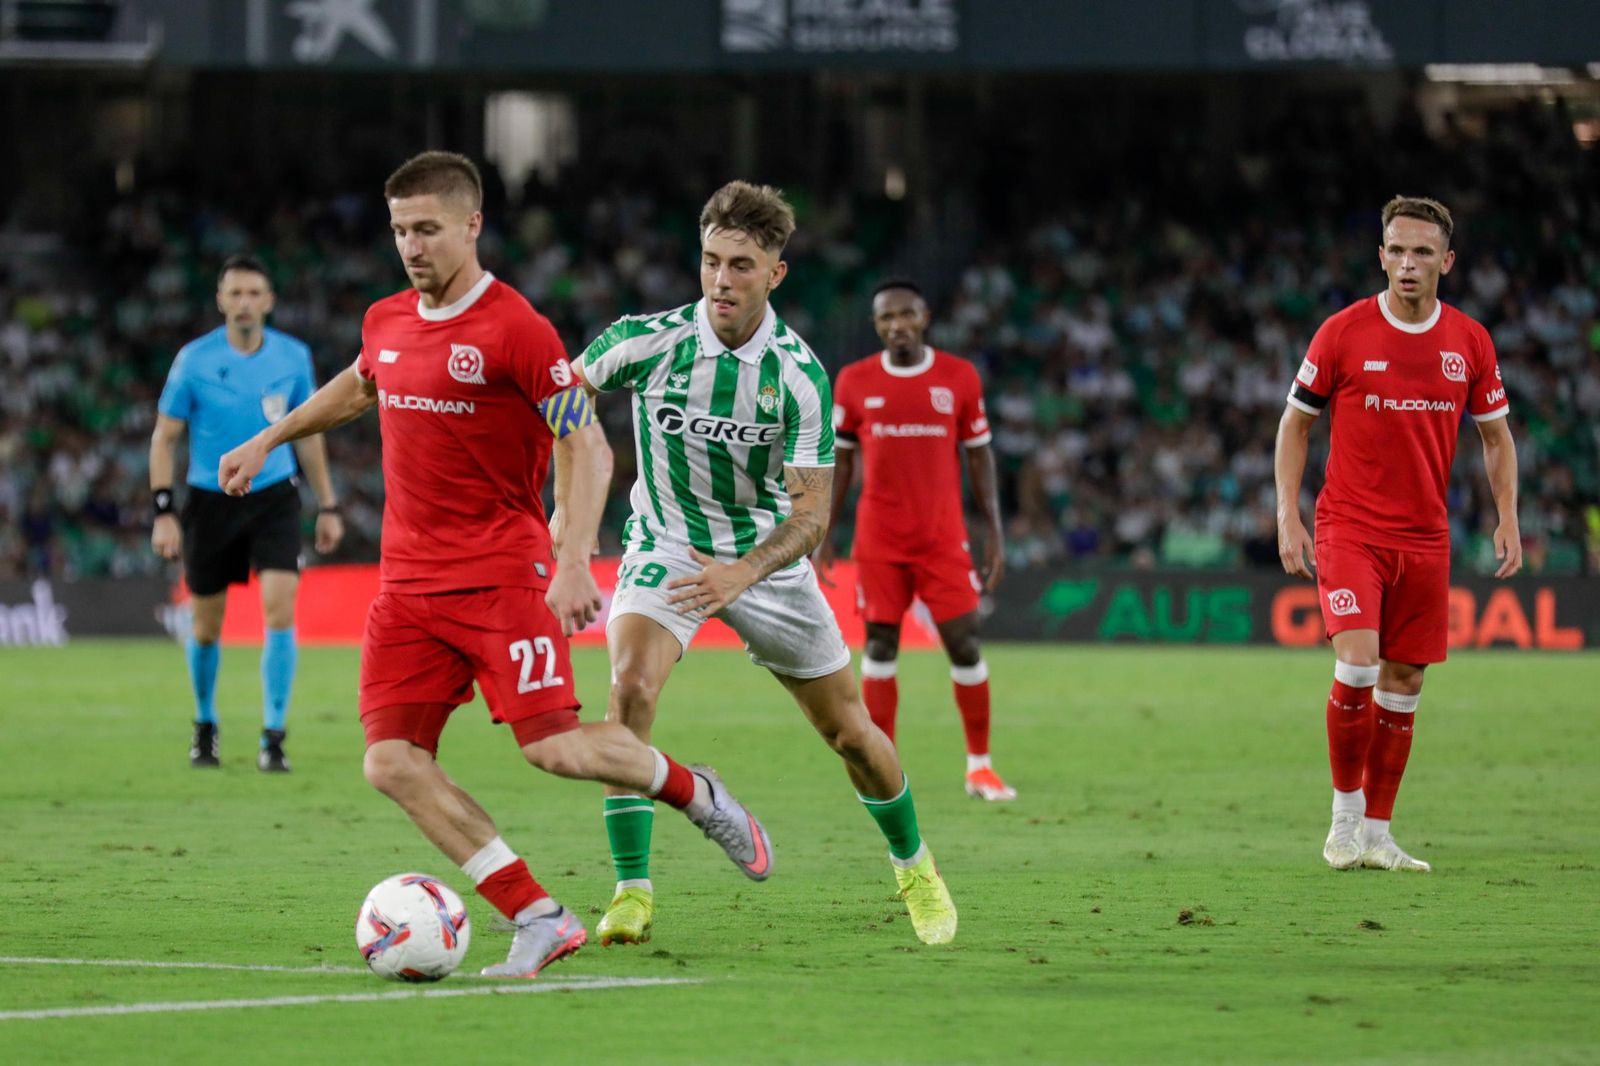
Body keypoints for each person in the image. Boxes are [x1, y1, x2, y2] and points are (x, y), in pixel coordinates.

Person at [218, 152, 770, 978]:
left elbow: (586, 442)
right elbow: (363, 383)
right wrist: (271, 436)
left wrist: (575, 559)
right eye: (401, 230)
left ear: (472, 226)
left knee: (552, 749)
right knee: (390, 761)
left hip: (499, 578)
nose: (412, 245)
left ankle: (696, 792)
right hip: (405, 589)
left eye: (428, 229)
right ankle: (538, 915)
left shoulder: (517, 330)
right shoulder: (386, 320)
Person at [573, 180, 958, 949]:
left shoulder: (799, 377)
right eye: (712, 261)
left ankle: (915, 866)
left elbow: (812, 516)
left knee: (850, 732)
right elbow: (561, 403)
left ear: (775, 273)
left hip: (767, 559)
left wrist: (743, 572)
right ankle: (630, 892)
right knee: (628, 688)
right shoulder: (643, 341)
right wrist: (564, 518)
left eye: (741, 265)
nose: (721, 279)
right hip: (667, 544)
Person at [1275, 195, 1521, 873]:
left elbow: (1495, 438)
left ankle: (1380, 834)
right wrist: (1287, 514)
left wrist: (1507, 515)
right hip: (1350, 526)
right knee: (1357, 662)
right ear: (1380, 256)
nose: (1407, 263)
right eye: (1396, 250)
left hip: (1425, 538)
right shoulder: (1343, 332)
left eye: (1422, 252)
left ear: (1447, 260)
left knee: (1405, 681)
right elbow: (1296, 423)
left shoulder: (1469, 341)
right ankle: (1344, 820)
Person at [818, 278, 1015, 801]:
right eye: (886, 318)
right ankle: (883, 768)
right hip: (879, 538)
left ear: (924, 317)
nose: (897, 325)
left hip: (942, 537)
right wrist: (825, 532)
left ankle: (980, 766)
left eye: (906, 314)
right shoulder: (854, 381)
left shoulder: (958, 377)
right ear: (876, 325)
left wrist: (994, 530)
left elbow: (979, 455)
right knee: (880, 646)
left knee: (965, 643)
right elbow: (842, 462)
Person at [150, 255, 345, 772]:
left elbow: (310, 433)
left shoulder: (293, 357)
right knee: (207, 626)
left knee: (280, 608)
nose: (244, 303)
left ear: (269, 301)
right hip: (209, 500)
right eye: (234, 294)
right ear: (221, 301)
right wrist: (163, 510)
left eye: (254, 293)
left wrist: (328, 504)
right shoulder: (193, 360)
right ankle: (205, 723)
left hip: (274, 496)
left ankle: (273, 734)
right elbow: (164, 438)